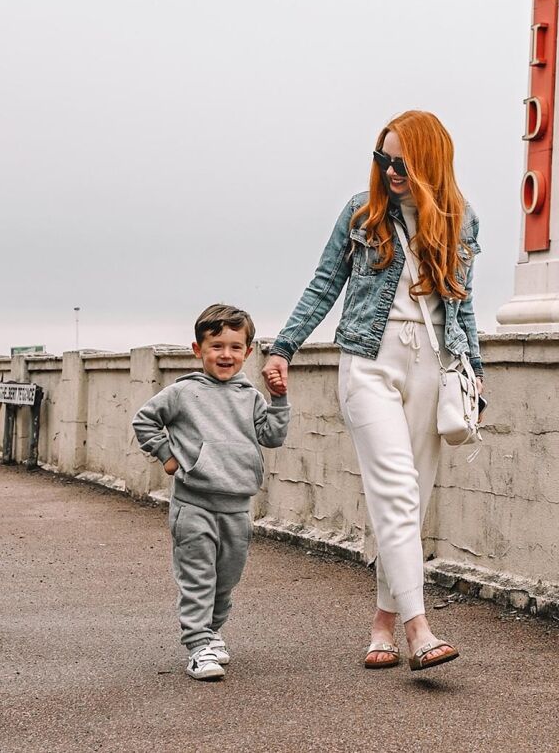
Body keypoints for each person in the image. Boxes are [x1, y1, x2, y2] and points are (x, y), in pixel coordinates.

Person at [261, 110, 483, 672]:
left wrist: (475, 372)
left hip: (434, 363)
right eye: (383, 159)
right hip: (368, 358)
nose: (391, 171)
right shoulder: (360, 214)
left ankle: (382, 623)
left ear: (429, 161)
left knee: (414, 498)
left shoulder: (461, 218)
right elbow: (324, 283)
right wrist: (283, 346)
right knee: (394, 490)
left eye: (402, 162)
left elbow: (464, 302)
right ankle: (420, 629)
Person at [132, 303, 290, 681]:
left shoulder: (250, 395)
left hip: (237, 508)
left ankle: (212, 632)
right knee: (198, 576)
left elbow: (272, 436)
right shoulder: (182, 392)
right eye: (216, 345)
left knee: (227, 577)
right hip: (194, 505)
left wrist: (279, 400)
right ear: (197, 349)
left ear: (248, 352)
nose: (226, 355)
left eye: (235, 347)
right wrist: (169, 458)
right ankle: (197, 644)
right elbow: (145, 421)